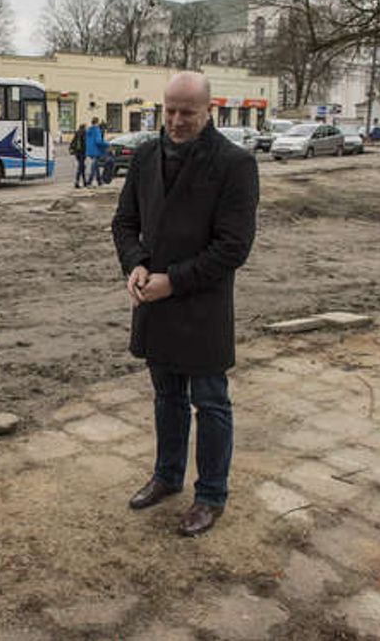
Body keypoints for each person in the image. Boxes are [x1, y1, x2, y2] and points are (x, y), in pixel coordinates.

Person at [111, 71, 259, 537]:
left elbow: (233, 247)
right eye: (169, 110)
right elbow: (124, 223)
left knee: (211, 404)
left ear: (208, 110)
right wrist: (134, 264)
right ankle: (167, 476)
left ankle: (211, 494)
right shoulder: (146, 156)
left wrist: (171, 282)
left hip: (201, 307)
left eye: (186, 112)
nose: (175, 121)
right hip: (154, 304)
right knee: (166, 398)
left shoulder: (234, 164)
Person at [84, 117, 108, 187]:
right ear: (97, 122)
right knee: (94, 167)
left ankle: (99, 181)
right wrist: (107, 144)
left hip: (89, 150)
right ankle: (89, 182)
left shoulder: (89, 130)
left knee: (96, 165)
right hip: (96, 150)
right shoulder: (97, 130)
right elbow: (98, 141)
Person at [69, 124, 87, 188]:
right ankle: (77, 182)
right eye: (85, 128)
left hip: (77, 153)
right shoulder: (84, 133)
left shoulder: (77, 133)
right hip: (82, 152)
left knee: (82, 167)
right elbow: (85, 143)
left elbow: (72, 142)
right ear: (84, 128)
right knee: (80, 168)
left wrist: (71, 149)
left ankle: (85, 182)